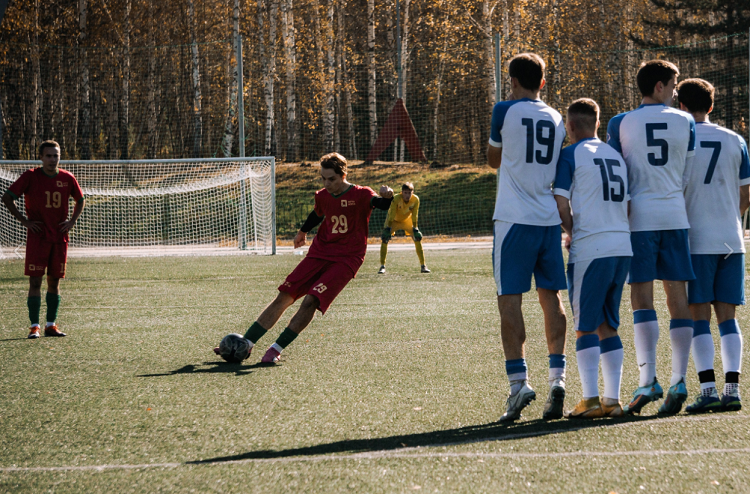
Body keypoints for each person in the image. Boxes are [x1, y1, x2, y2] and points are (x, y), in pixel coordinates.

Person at [214, 153, 394, 363]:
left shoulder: (362, 194)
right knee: (284, 296)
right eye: (323, 178)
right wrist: (302, 231)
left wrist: (388, 196)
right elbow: (318, 214)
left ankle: (275, 349)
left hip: (347, 258)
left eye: (332, 179)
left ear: (343, 175)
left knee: (311, 300)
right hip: (319, 253)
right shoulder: (323, 195)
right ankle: (245, 344)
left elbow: (381, 204)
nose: (327, 183)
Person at [607, 60, 697, 415]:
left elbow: (616, 173)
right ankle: (678, 379)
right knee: (678, 298)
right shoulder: (686, 120)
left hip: (638, 219)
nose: (676, 93)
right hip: (675, 216)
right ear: (659, 86)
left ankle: (648, 380)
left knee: (641, 298)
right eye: (673, 86)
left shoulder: (620, 122)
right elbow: (687, 174)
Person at [487, 53, 568, 422]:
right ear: (544, 82)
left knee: (510, 301)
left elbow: (493, 160)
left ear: (512, 80)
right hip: (548, 220)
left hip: (513, 220)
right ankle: (558, 378)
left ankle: (518, 384)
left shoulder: (504, 110)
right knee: (551, 298)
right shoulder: (556, 117)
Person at [553, 99, 632, 418]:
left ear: (570, 126)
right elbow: (627, 205)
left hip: (591, 249)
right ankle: (612, 402)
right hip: (621, 246)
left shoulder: (569, 155)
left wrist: (572, 231)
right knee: (608, 325)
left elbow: (560, 205)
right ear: (598, 124)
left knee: (585, 327)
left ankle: (589, 400)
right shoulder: (616, 155)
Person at [676, 79, 749, 413]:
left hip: (695, 240)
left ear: (680, 106)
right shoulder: (736, 140)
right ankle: (732, 388)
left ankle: (707, 390)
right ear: (712, 105)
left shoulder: (679, 138)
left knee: (699, 318)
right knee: (728, 318)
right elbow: (746, 196)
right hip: (731, 239)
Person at [2, 140, 85, 338]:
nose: (52, 159)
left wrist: (72, 222)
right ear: (41, 158)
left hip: (59, 238)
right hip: (38, 238)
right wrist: (24, 221)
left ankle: (51, 325)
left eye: (55, 156)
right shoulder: (31, 176)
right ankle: (34, 326)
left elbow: (80, 200)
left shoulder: (67, 178)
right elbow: (7, 197)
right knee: (35, 282)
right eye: (48, 156)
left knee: (54, 282)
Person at [378, 182, 429, 274]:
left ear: (412, 192)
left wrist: (416, 228)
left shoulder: (415, 199)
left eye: (409, 193)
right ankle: (382, 266)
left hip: (407, 221)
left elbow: (415, 215)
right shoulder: (396, 198)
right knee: (385, 239)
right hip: (393, 221)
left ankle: (423, 266)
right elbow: (392, 214)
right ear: (402, 192)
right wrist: (388, 227)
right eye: (405, 193)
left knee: (417, 238)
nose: (407, 195)